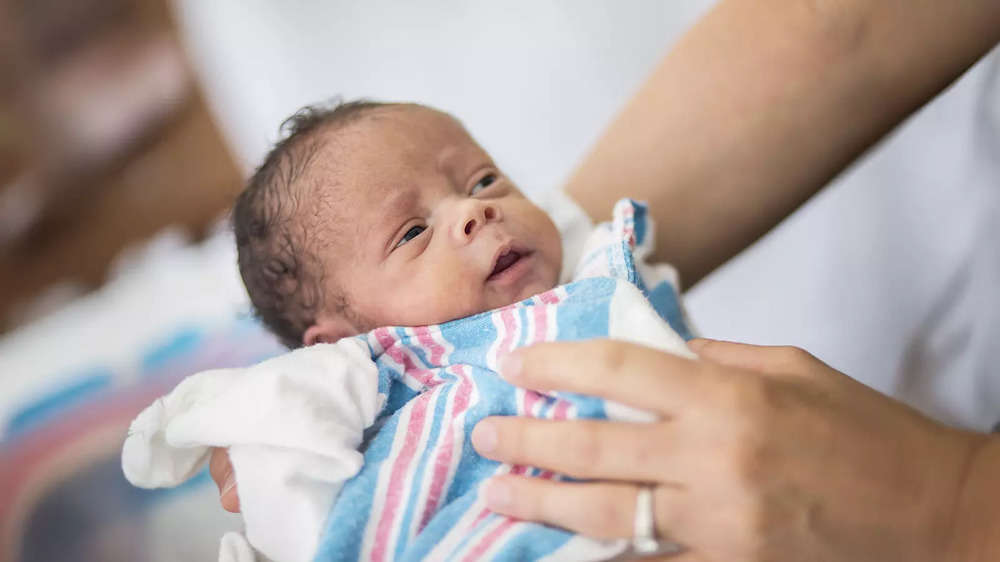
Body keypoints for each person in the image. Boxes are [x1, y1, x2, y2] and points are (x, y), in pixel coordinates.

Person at [125, 100, 697, 561]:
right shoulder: (375, 375)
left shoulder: (594, 270)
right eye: (411, 233)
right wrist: (245, 431)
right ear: (340, 339)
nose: (475, 212)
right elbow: (271, 415)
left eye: (483, 180)